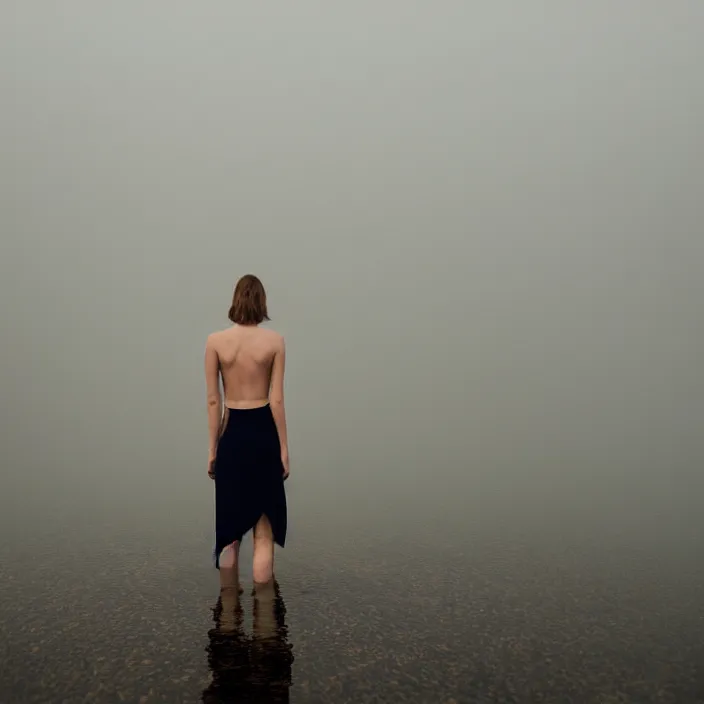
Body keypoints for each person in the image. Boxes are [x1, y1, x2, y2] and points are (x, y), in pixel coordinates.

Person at [204, 274, 289, 589]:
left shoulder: (215, 342)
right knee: (263, 532)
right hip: (263, 433)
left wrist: (213, 449)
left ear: (235, 300)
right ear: (262, 302)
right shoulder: (275, 342)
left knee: (228, 534)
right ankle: (265, 623)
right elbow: (277, 399)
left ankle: (227, 617)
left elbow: (214, 400)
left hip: (233, 434)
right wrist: (284, 449)